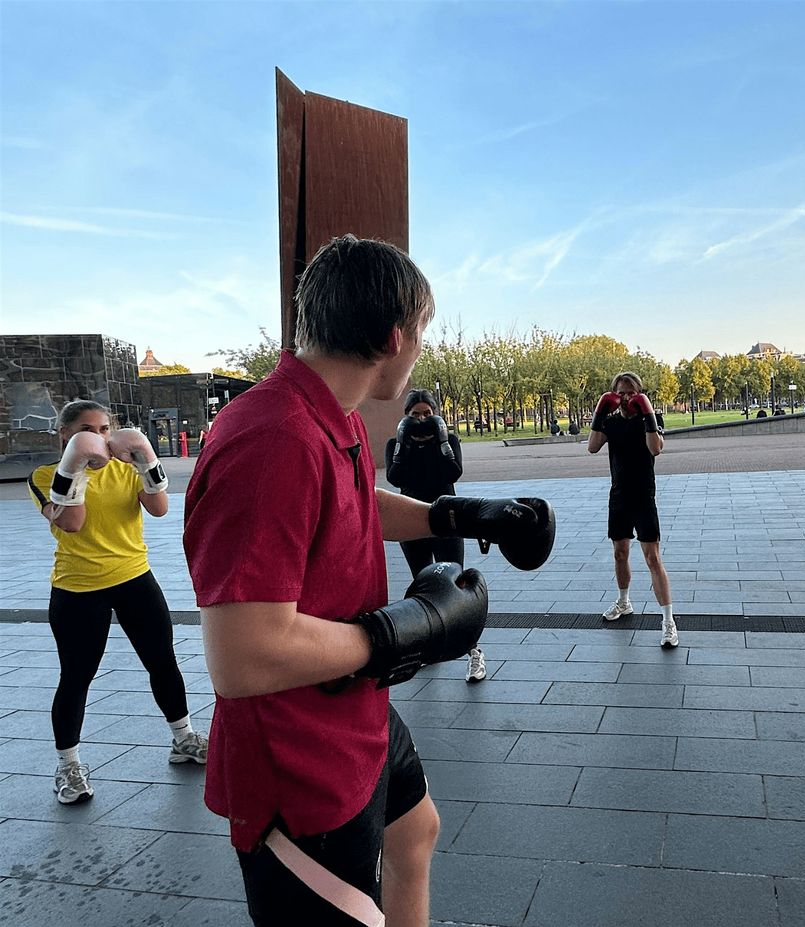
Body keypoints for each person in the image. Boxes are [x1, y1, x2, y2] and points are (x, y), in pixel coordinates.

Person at [183, 235, 554, 927]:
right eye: (422, 333)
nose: (421, 350)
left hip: (355, 712)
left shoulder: (331, 413)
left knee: (414, 832)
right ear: (393, 337)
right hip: (299, 762)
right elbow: (242, 656)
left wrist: (464, 512)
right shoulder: (271, 438)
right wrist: (412, 628)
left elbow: (356, 500)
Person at [27, 401, 207, 805]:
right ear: (65, 434)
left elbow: (160, 509)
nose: (100, 438)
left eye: (105, 429)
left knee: (162, 661)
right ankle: (68, 766)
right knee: (76, 677)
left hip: (134, 579)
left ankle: (183, 740)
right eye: (88, 429)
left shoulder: (124, 469)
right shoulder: (43, 476)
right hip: (77, 588)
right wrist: (75, 467)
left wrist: (146, 460)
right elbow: (72, 523)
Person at [386, 388, 486, 682]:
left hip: (447, 520)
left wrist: (442, 440)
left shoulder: (450, 439)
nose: (421, 419)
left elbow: (454, 472)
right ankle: (426, 648)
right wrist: (403, 443)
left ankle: (474, 652)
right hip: (410, 521)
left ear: (436, 414)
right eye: (415, 414)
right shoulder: (396, 442)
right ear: (406, 416)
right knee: (422, 585)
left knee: (458, 585)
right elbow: (394, 477)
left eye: (427, 414)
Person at [588, 372, 677, 648]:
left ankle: (668, 622)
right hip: (619, 496)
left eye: (630, 392)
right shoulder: (611, 422)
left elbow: (656, 449)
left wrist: (648, 411)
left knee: (652, 557)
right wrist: (599, 412)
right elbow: (592, 447)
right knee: (620, 552)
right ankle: (624, 602)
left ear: (638, 393)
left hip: (643, 497)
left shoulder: (650, 419)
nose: (626, 397)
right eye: (620, 392)